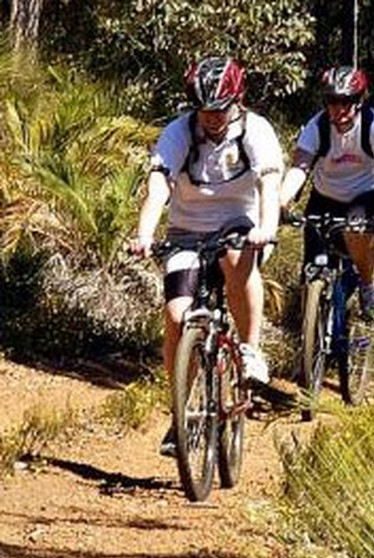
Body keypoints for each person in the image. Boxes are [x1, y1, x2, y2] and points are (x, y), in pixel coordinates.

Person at [129, 56, 283, 455]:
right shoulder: (179, 132)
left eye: (220, 109)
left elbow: (269, 183)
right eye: (204, 110)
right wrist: (145, 235)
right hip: (187, 230)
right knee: (176, 316)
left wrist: (266, 229)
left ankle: (250, 349)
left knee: (234, 258)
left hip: (240, 225)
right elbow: (159, 187)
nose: (212, 118)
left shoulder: (256, 130)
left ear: (237, 100)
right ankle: (181, 411)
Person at [280, 65, 374, 315]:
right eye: (333, 101)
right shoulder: (317, 126)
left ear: (359, 101)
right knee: (311, 274)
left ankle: (367, 286)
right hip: (324, 197)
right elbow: (300, 168)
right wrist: (281, 200)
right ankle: (314, 328)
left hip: (363, 195)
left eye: (347, 101)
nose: (339, 109)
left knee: (355, 230)